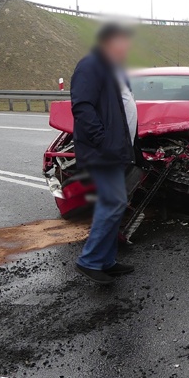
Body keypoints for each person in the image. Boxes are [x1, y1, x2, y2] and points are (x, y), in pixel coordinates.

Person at [70, 22, 137, 285]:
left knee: (114, 205)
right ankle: (89, 260)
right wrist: (104, 140)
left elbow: (120, 108)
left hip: (117, 150)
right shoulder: (90, 65)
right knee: (114, 203)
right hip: (103, 151)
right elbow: (82, 106)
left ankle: (106, 260)